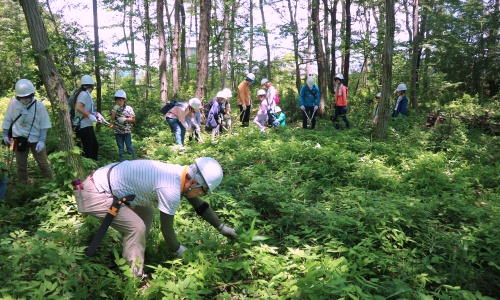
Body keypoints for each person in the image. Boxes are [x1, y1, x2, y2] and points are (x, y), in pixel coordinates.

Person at [74, 157, 237, 278]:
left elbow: (200, 206)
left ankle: (134, 251)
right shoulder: (171, 188)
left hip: (102, 180)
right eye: (203, 190)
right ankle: (133, 277)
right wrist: (179, 250)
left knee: (147, 211)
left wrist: (222, 228)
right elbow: (167, 229)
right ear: (194, 182)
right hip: (94, 193)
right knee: (136, 227)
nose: (202, 194)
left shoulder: (181, 175)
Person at [2, 79, 54, 185]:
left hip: (36, 140)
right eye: (22, 98)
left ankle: (51, 185)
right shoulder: (13, 104)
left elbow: (44, 124)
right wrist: (5, 134)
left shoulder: (39, 106)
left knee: (43, 164)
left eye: (27, 98)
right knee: (21, 166)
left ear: (32, 95)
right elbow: (8, 119)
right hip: (19, 138)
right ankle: (23, 186)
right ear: (17, 97)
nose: (25, 100)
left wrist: (42, 140)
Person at [73, 75, 99, 160]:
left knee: (94, 147)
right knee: (89, 149)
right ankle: (90, 169)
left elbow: (85, 109)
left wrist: (95, 114)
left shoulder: (85, 94)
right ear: (91, 86)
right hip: (83, 126)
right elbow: (78, 107)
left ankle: (92, 167)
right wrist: (89, 115)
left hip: (87, 125)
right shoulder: (84, 94)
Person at [110, 90, 136, 161]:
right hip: (117, 131)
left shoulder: (129, 108)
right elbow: (112, 118)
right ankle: (122, 160)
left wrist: (125, 119)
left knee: (129, 146)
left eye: (121, 100)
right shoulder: (114, 108)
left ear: (124, 100)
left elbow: (133, 119)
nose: (119, 102)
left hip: (126, 131)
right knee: (120, 147)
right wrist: (114, 111)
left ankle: (133, 159)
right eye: (117, 100)